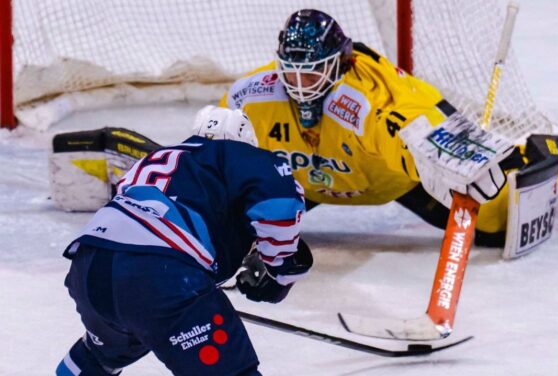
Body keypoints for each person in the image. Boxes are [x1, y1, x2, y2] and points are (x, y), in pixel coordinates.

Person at [219, 9, 515, 245]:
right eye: (290, 73)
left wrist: (444, 150)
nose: (299, 86)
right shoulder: (255, 93)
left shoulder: (366, 96)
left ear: (339, 62)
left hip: (396, 182)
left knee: (495, 218)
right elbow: (216, 154)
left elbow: (408, 118)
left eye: (312, 74)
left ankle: (525, 161)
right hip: (301, 185)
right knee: (220, 225)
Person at [56, 106, 312, 376]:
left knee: (99, 358)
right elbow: (280, 205)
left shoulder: (154, 160)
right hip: (160, 277)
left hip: (89, 266)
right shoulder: (242, 156)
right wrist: (280, 272)